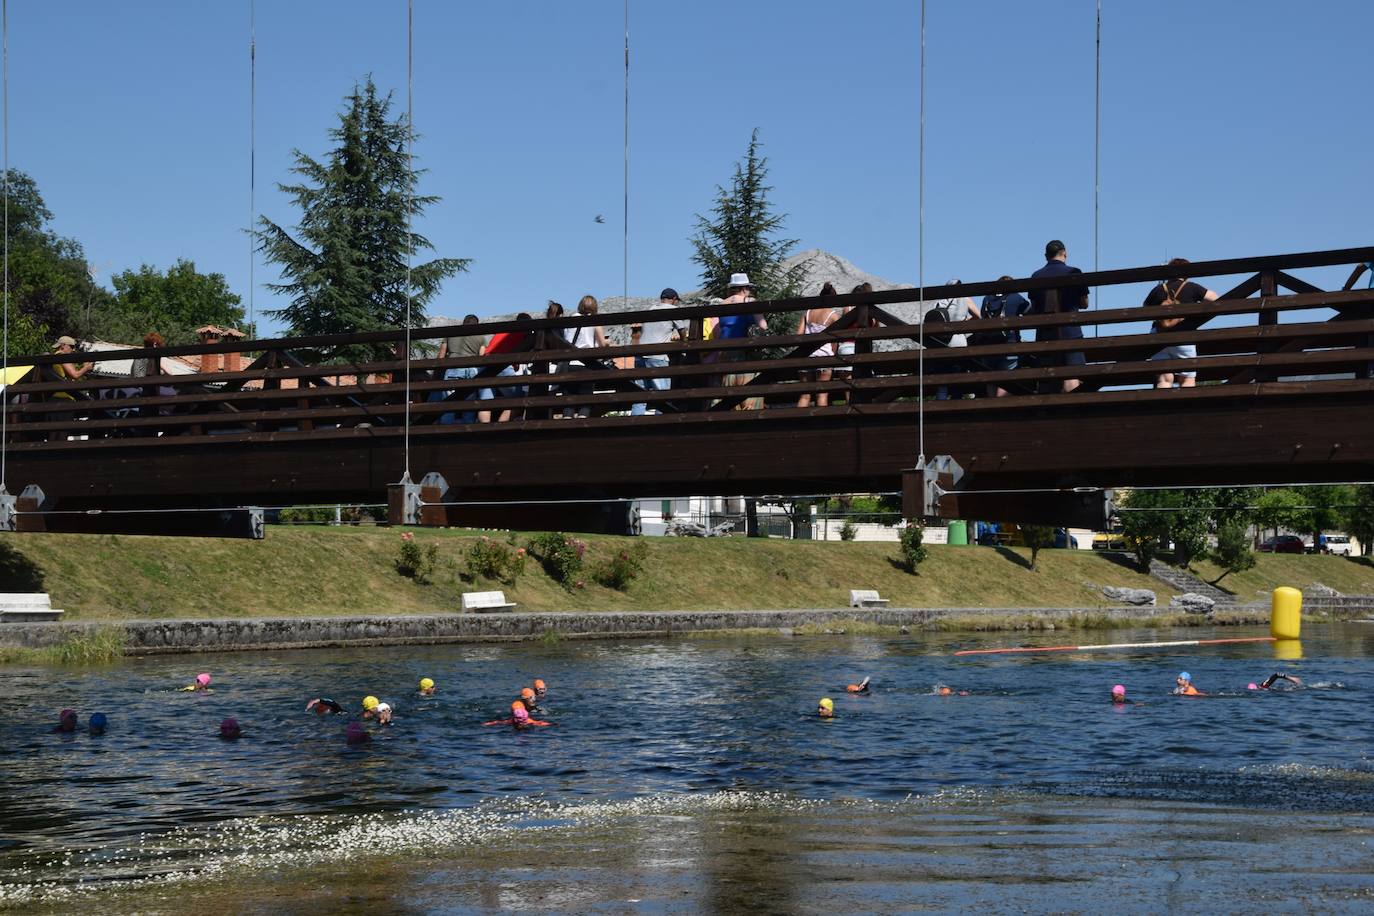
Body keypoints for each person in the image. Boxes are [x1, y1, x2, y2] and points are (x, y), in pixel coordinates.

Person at [1142, 259, 1219, 389]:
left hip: (1158, 336)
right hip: (1184, 336)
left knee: (1164, 378)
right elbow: (1215, 299)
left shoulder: (1157, 289)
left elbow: (1144, 307)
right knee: (1187, 379)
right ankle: (1185, 407)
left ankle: (1163, 407)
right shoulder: (1192, 287)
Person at [1028, 240, 1090, 392]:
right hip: (1070, 332)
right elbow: (1084, 303)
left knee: (1047, 378)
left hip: (1045, 335)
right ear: (1065, 253)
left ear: (1046, 256)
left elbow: (1034, 307)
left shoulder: (1035, 276)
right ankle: (1072, 410)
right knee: (1072, 374)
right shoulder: (1074, 272)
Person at [717, 273, 769, 410]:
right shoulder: (750, 302)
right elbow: (763, 326)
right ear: (745, 288)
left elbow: (719, 331)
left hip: (725, 354)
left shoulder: (722, 304)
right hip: (745, 354)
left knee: (729, 397)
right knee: (749, 396)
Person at [973, 278, 1030, 398]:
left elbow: (983, 316)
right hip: (1010, 344)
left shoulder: (986, 299)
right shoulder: (1016, 297)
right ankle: (1002, 407)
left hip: (988, 345)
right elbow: (1029, 311)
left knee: (991, 377)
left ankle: (993, 408)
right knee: (1006, 378)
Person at [631, 288, 684, 416]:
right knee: (662, 394)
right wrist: (684, 344)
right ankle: (660, 426)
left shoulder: (650, 309)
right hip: (658, 356)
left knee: (640, 394)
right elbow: (682, 332)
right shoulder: (673, 310)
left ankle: (635, 425)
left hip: (640, 355)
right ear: (674, 299)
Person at [433, 315, 492, 424]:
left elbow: (441, 355)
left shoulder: (450, 333)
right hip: (471, 371)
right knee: (468, 406)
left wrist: (436, 374)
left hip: (452, 370)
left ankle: (445, 432)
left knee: (448, 405)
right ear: (477, 324)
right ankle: (467, 432)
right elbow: (481, 356)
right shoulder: (481, 337)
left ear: (463, 322)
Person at [928, 280, 981, 400]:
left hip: (939, 343)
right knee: (957, 380)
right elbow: (978, 315)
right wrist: (965, 321)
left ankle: (939, 412)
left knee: (941, 382)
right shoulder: (964, 299)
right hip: (958, 341)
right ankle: (956, 412)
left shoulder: (939, 301)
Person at [559, 295, 610, 419]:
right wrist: (609, 343)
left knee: (568, 401)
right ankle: (582, 426)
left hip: (569, 365)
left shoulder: (571, 319)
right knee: (585, 400)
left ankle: (565, 427)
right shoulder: (594, 321)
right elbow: (602, 344)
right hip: (586, 365)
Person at [484, 312, 534, 422]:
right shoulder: (521, 332)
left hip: (485, 365)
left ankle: (484, 430)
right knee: (519, 398)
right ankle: (502, 427)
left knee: (485, 401)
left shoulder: (504, 331)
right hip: (501, 365)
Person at [797, 283, 838, 408]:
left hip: (806, 356)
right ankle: (822, 424)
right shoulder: (833, 316)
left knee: (805, 395)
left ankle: (796, 423)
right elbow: (835, 341)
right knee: (822, 394)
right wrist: (834, 354)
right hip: (824, 356)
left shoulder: (808, 313)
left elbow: (799, 334)